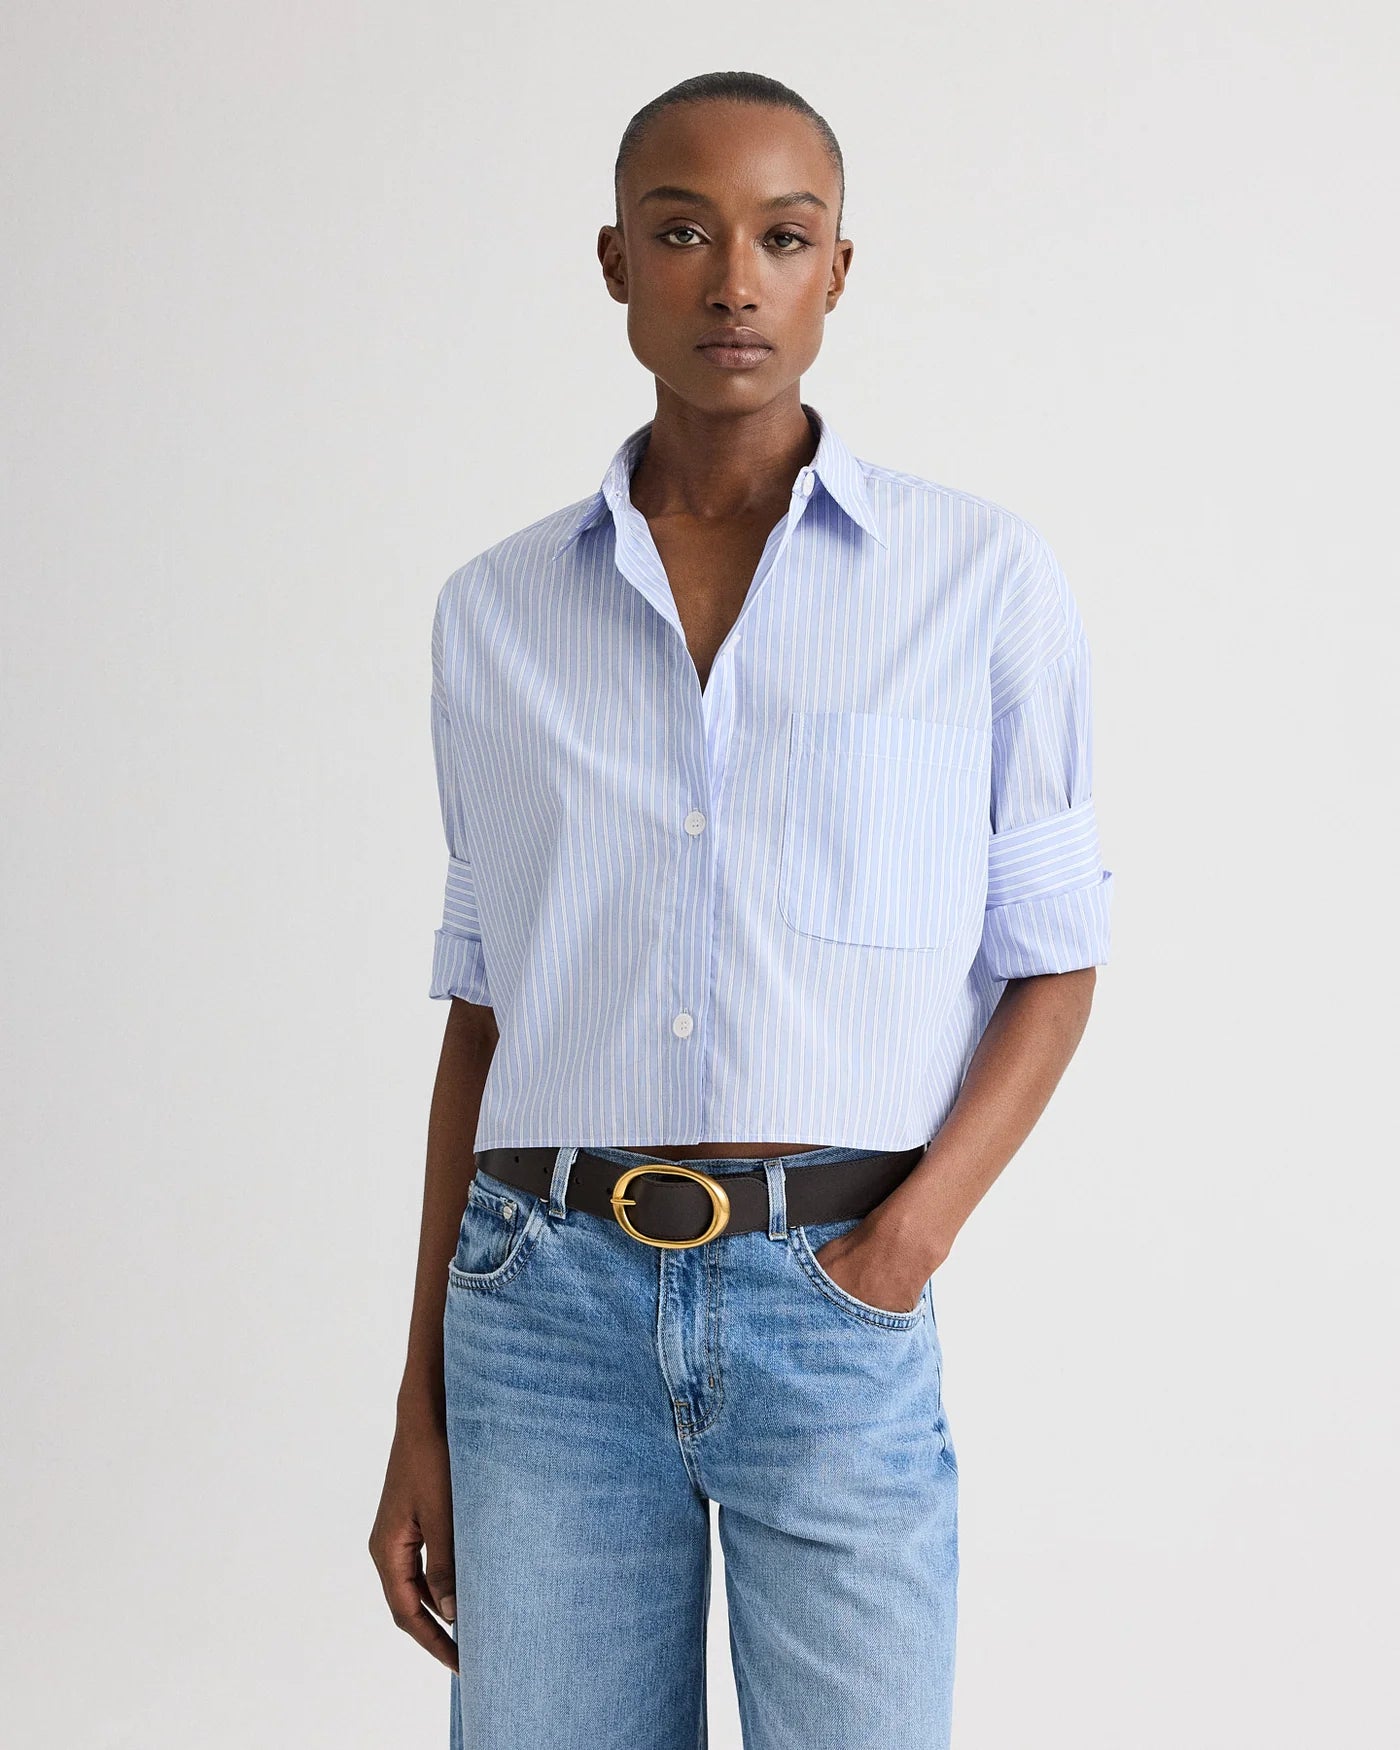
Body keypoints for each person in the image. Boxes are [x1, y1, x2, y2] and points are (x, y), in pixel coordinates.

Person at [369, 69, 1113, 1750]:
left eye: (783, 237)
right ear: (614, 262)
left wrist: (900, 1250)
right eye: (682, 232)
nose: (733, 282)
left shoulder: (979, 583)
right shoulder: (495, 613)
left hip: (832, 1301)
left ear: (839, 268)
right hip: (540, 1314)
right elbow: (485, 1018)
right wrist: (420, 1400)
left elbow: (1056, 966)